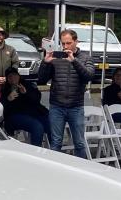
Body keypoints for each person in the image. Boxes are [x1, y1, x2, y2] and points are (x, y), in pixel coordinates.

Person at [37, 28, 96, 158]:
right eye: (63, 43)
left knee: (79, 143)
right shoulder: (56, 58)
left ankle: (81, 171)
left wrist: (74, 60)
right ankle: (54, 172)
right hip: (57, 106)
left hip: (76, 106)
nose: (65, 46)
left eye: (68, 43)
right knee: (56, 142)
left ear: (76, 42)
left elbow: (89, 76)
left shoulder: (86, 58)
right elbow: (41, 80)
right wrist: (45, 63)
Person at [1, 67, 47, 146]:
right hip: (15, 116)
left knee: (51, 125)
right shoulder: (5, 89)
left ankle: (54, 151)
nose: (13, 78)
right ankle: (35, 153)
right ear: (7, 79)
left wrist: (26, 93)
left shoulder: (26, 84)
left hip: (33, 113)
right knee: (37, 126)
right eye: (10, 76)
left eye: (15, 75)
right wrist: (8, 99)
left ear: (19, 76)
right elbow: (2, 108)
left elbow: (37, 98)